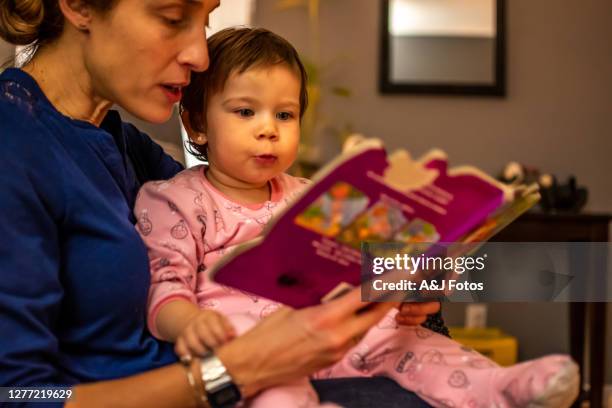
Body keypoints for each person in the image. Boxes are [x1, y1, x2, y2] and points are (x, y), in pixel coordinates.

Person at [0, 1, 443, 406]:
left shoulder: (119, 143)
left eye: (206, 19)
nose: (200, 55)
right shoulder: (15, 147)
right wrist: (231, 372)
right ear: (79, 6)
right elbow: (18, 396)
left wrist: (402, 284)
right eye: (174, 18)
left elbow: (239, 220)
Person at [135, 27, 580, 408]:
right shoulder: (176, 199)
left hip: (351, 333)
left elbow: (376, 257)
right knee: (270, 392)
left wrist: (419, 282)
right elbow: (165, 284)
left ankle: (501, 389)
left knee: (424, 346)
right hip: (259, 348)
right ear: (196, 123)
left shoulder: (314, 195)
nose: (268, 128)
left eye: (285, 114)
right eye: (245, 111)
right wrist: (190, 324)